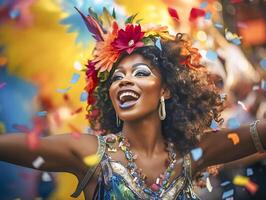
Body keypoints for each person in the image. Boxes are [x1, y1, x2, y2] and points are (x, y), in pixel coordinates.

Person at [0, 8, 266, 200]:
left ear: (166, 90)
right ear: (109, 96)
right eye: (117, 77)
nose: (125, 82)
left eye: (140, 73)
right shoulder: (90, 153)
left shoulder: (192, 152)